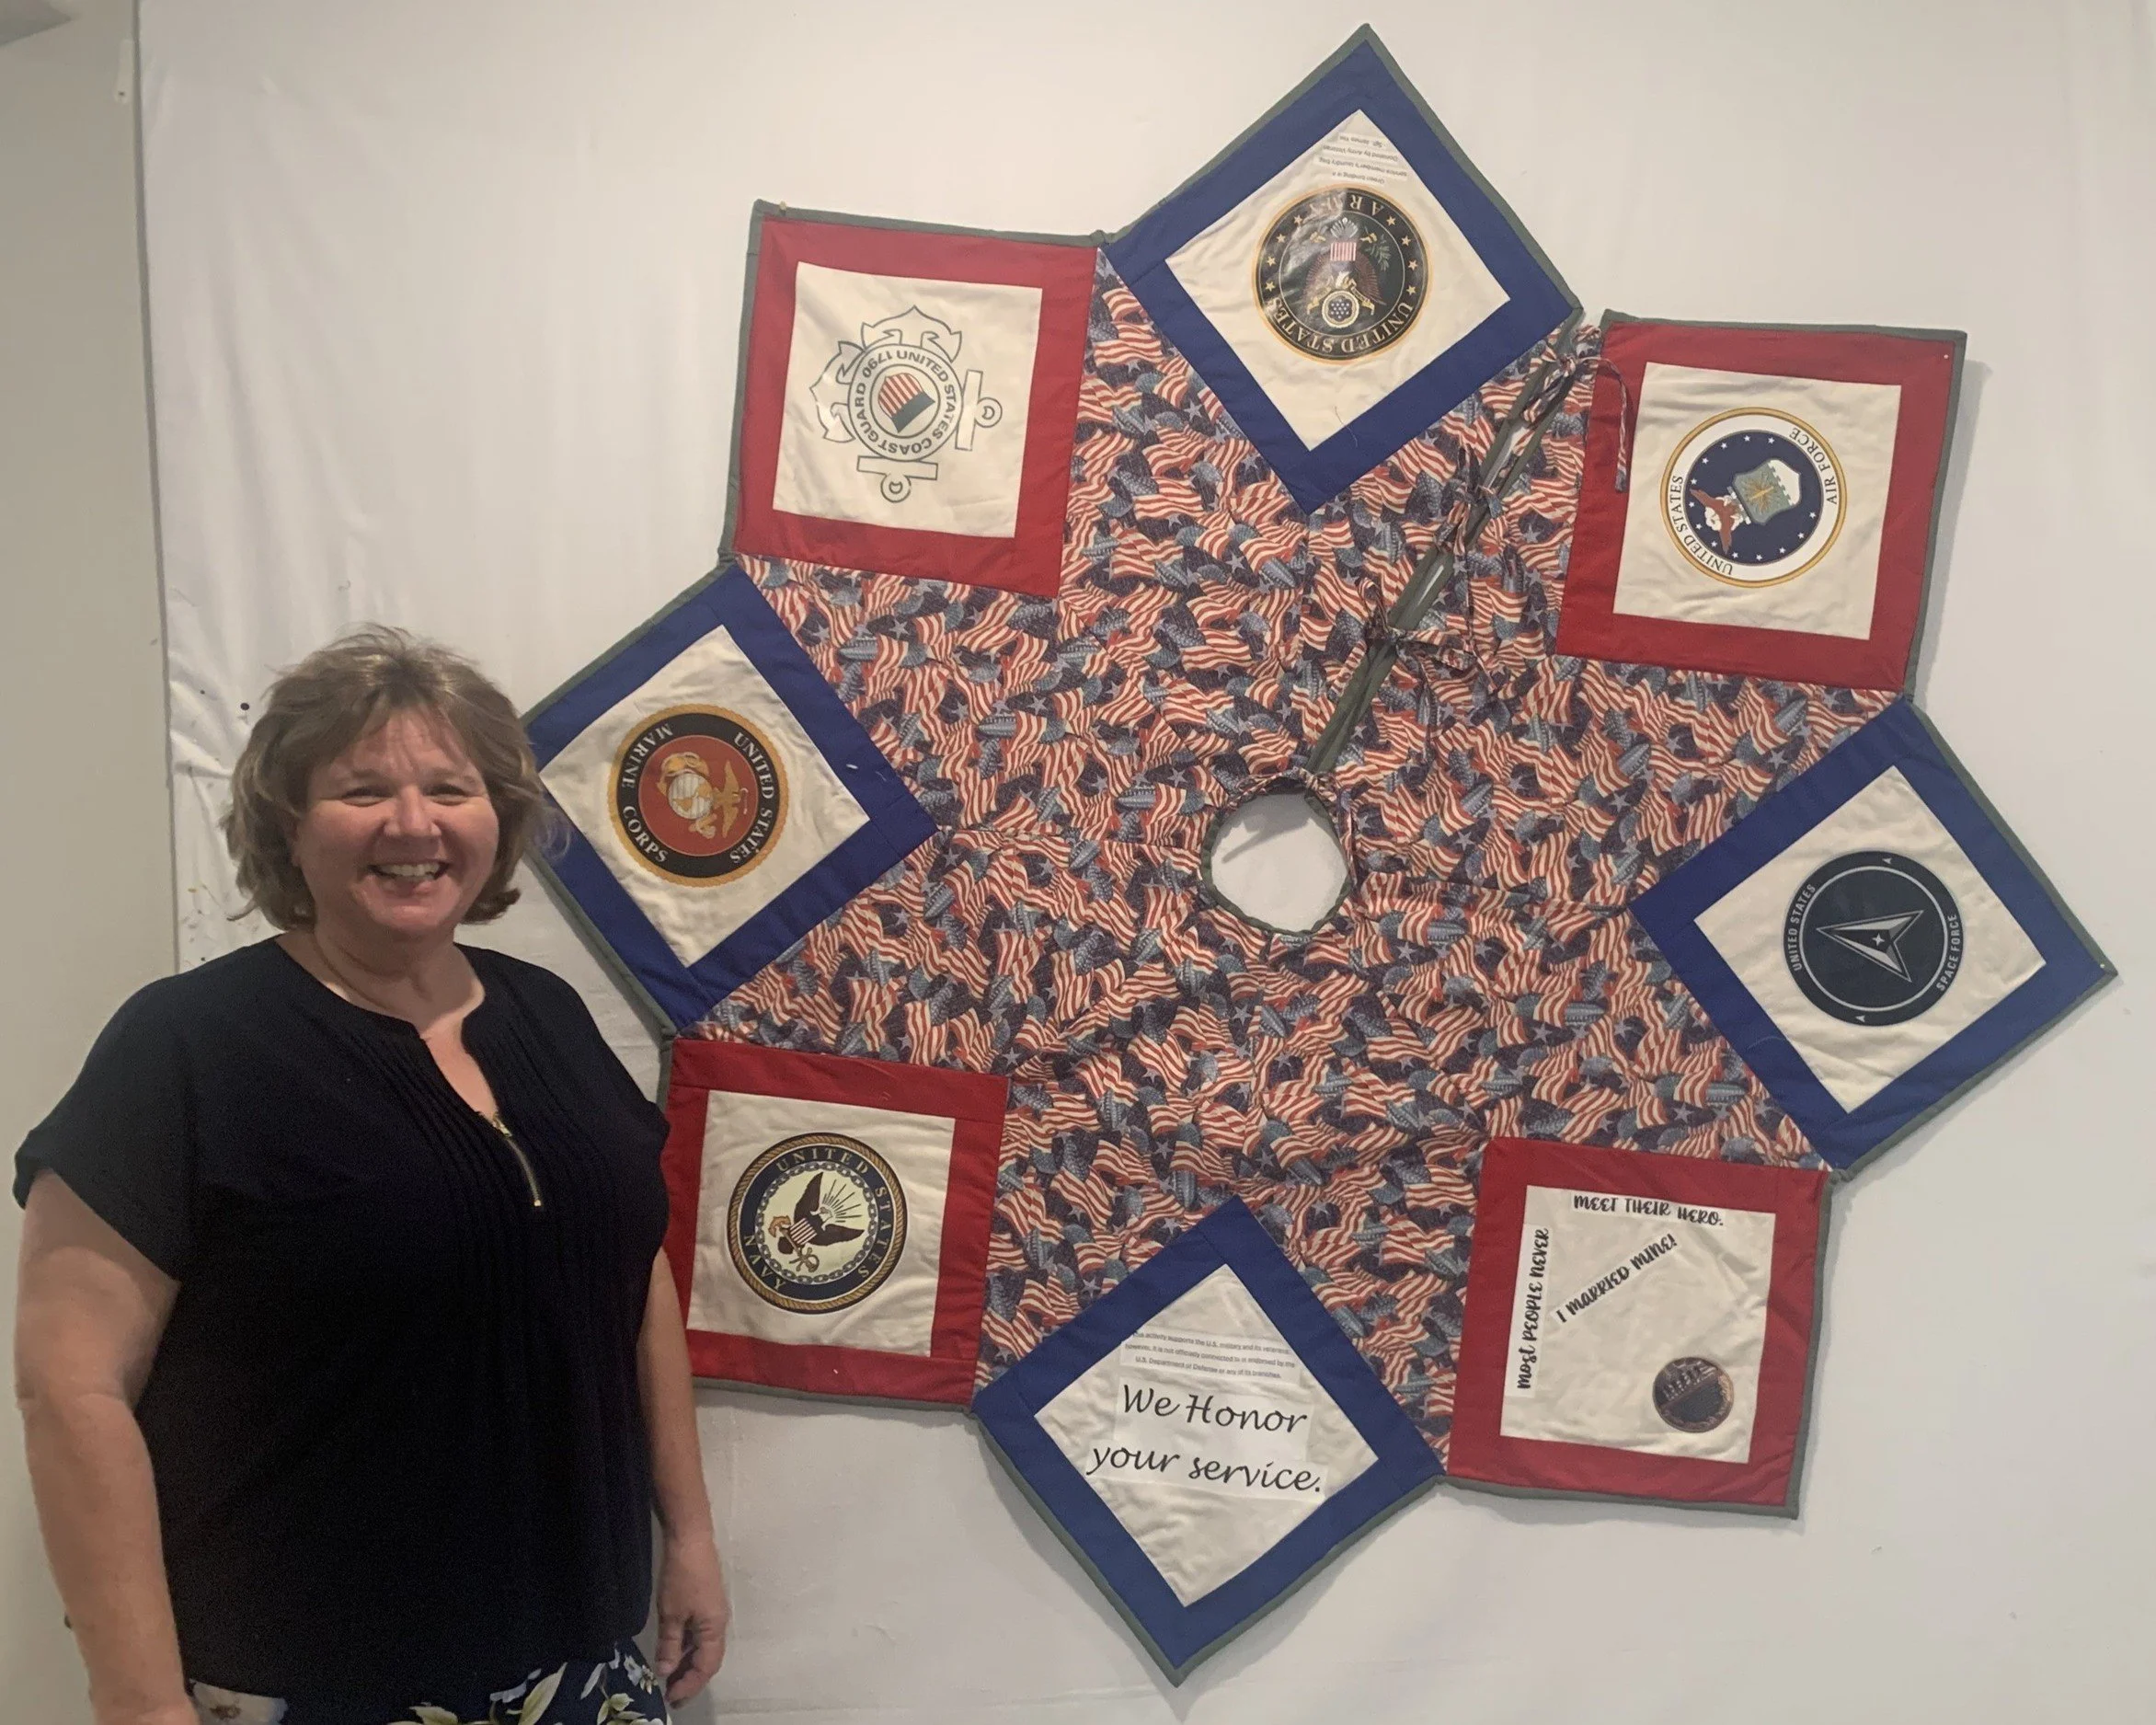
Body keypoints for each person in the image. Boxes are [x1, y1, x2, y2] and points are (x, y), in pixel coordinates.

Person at [12, 627, 728, 1725]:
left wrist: (688, 1537)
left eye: (451, 786)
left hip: (582, 1663)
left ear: (496, 820)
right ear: (288, 828)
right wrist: (139, 1699)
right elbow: (71, 1391)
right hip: (309, 1680)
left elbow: (633, 1285)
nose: (413, 823)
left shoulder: (550, 1017)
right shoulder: (188, 1047)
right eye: (361, 789)